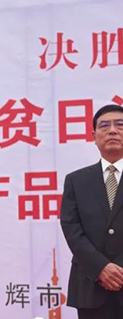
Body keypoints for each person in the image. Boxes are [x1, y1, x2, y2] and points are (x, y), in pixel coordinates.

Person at [61, 104, 123, 318]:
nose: (112, 130)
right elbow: (71, 228)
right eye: (104, 126)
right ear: (94, 136)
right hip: (91, 286)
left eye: (120, 125)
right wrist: (100, 267)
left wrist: (118, 269)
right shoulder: (76, 180)